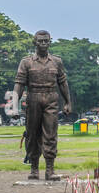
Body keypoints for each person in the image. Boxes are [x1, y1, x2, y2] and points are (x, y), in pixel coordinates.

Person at [13, 30, 72, 180]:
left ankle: (49, 170)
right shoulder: (26, 62)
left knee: (50, 134)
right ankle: (34, 169)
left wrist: (67, 102)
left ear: (50, 42)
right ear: (35, 43)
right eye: (40, 41)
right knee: (32, 134)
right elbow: (19, 85)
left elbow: (63, 83)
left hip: (51, 98)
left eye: (46, 41)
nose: (44, 44)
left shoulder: (57, 61)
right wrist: (15, 105)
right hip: (33, 97)